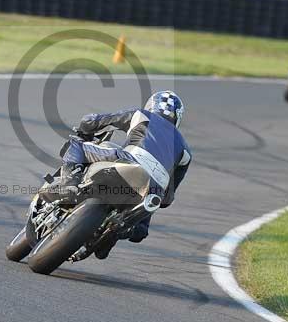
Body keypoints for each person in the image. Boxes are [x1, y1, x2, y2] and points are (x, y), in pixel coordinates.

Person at [49, 90, 192, 259]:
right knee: (140, 230)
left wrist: (84, 132)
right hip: (154, 189)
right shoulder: (185, 151)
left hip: (131, 161)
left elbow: (91, 120)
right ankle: (114, 234)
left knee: (77, 145)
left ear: (151, 105)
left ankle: (69, 184)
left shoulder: (142, 115)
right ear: (177, 117)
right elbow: (169, 197)